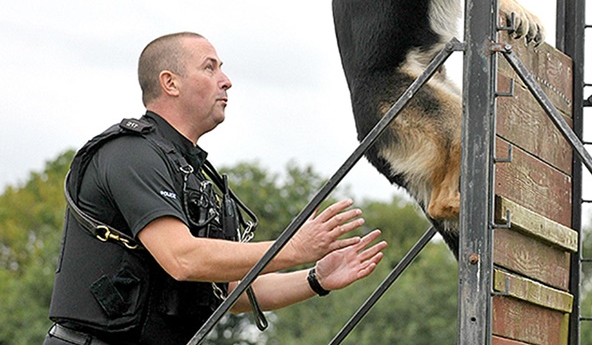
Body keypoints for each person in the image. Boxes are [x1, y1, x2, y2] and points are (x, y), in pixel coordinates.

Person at [45, 32, 387, 345]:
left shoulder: (192, 173)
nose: (226, 81)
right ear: (170, 83)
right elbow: (182, 258)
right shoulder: (130, 154)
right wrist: (294, 248)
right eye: (210, 69)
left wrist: (315, 279)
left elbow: (232, 292)